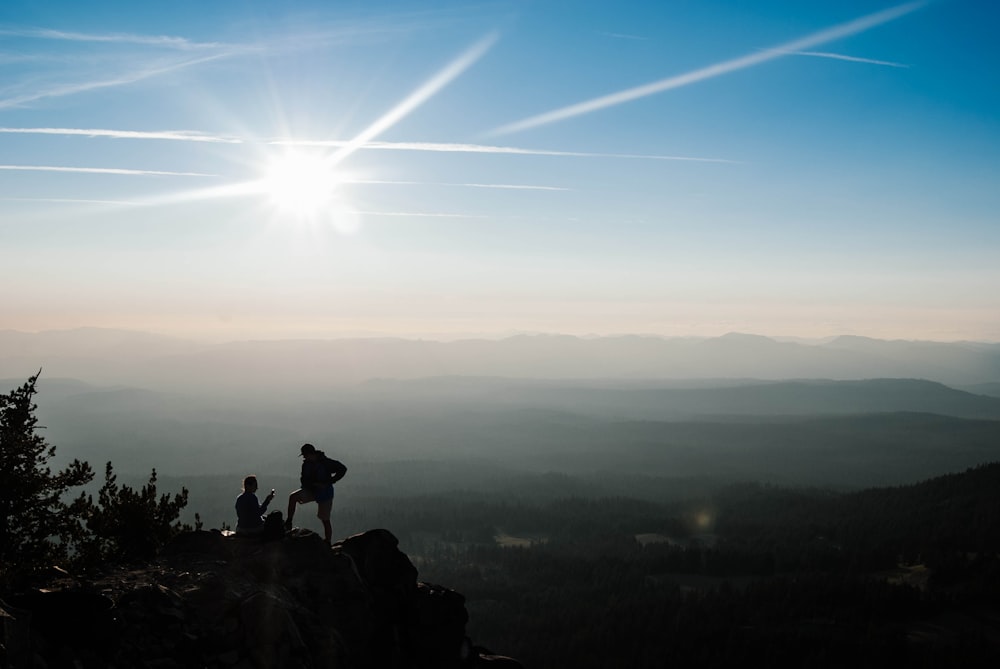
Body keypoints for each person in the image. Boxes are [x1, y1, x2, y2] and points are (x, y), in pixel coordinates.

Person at [285, 443, 347, 544]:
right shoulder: (306, 464)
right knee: (293, 497)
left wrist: (328, 482)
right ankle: (289, 522)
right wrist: (312, 485)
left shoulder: (326, 463)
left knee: (325, 519)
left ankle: (328, 542)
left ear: (310, 454)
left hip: (325, 493)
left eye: (305, 455)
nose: (304, 457)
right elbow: (303, 479)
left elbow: (342, 469)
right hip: (311, 490)